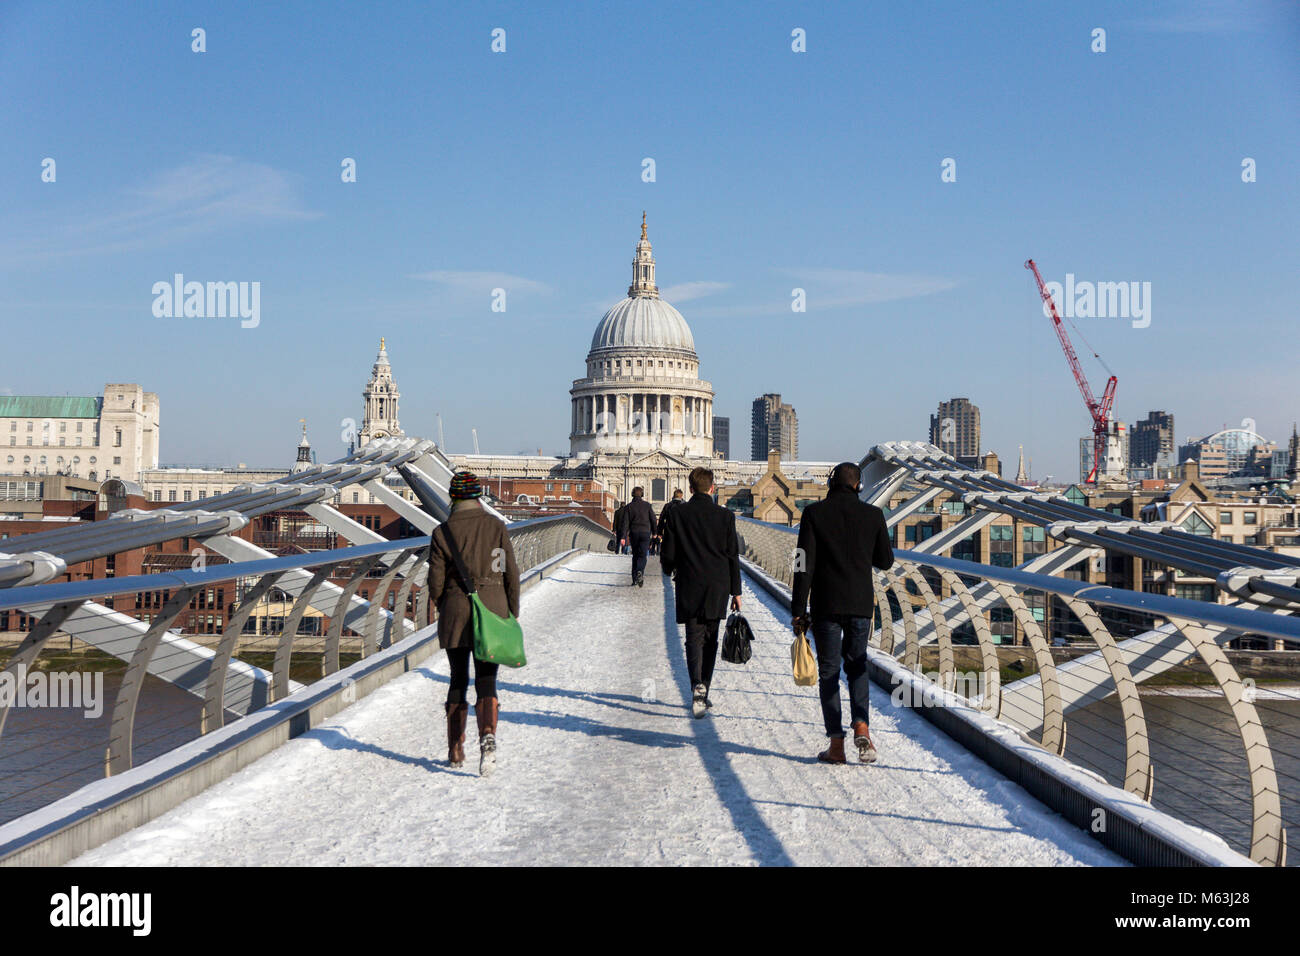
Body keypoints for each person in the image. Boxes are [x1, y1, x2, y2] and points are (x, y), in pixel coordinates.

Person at [791, 461, 894, 765]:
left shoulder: (813, 514)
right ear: (858, 486)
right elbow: (885, 561)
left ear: (830, 483)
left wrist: (798, 609)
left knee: (828, 672)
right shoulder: (873, 515)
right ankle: (861, 724)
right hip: (861, 603)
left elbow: (801, 563)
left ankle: (836, 745)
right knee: (857, 666)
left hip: (825, 605)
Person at [426, 470, 521, 775]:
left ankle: (455, 748)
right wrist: (510, 610)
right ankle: (488, 737)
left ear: (453, 497)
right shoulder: (496, 526)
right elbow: (509, 572)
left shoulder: (442, 532)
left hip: (456, 609)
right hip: (492, 607)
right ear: (478, 496)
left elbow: (435, 582)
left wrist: (445, 605)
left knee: (457, 678)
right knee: (486, 678)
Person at [660, 467, 741, 718]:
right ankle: (704, 688)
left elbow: (669, 553)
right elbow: (732, 556)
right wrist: (736, 592)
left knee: (693, 637)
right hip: (718, 585)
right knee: (711, 638)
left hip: (690, 582)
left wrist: (668, 568)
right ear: (712, 488)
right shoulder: (725, 516)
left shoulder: (677, 513)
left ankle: (697, 686)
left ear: (691, 488)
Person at [619, 486, 657, 587]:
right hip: (645, 533)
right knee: (643, 555)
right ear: (642, 494)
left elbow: (625, 523)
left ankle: (634, 579)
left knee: (635, 556)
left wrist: (623, 537)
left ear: (632, 494)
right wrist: (655, 532)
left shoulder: (628, 507)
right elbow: (653, 520)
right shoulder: (647, 506)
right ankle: (640, 571)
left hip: (634, 533)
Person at [654, 488, 684, 565]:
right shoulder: (685, 505)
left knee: (670, 548)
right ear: (682, 496)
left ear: (673, 496)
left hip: (669, 530)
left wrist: (659, 532)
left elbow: (661, 519)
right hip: (682, 531)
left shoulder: (667, 506)